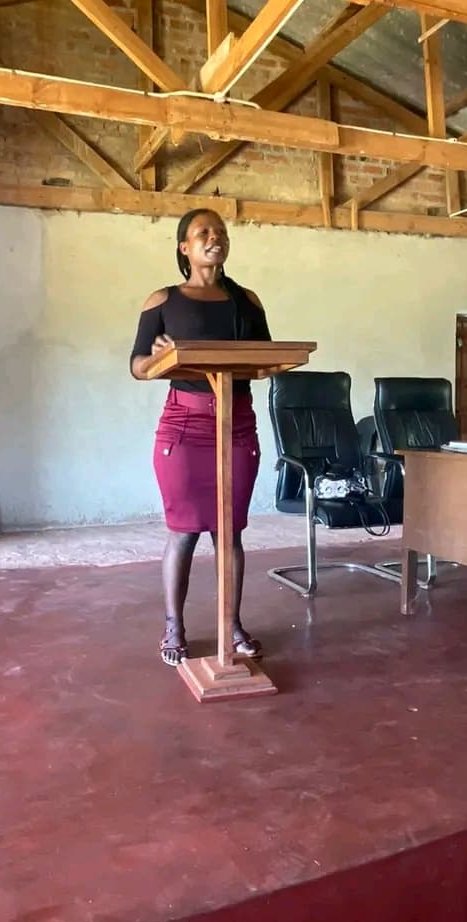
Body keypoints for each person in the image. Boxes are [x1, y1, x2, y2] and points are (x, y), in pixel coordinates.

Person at [130, 208, 272, 666]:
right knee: (184, 532)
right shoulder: (163, 301)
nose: (215, 238)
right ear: (183, 247)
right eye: (203, 232)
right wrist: (156, 357)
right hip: (184, 426)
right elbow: (136, 366)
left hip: (237, 423)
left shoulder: (247, 301)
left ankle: (231, 626)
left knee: (229, 534)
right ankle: (174, 627)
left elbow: (268, 361)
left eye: (221, 232)